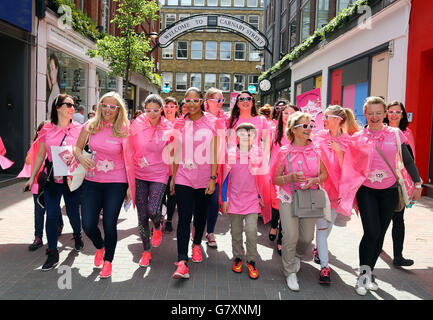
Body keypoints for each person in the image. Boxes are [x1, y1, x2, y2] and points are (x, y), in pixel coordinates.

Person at [338, 96, 422, 296]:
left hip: (390, 190)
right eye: (370, 113)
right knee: (371, 232)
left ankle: (369, 272)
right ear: (365, 114)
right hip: (366, 190)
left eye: (378, 113)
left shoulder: (395, 133)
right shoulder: (357, 138)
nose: (374, 117)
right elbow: (350, 165)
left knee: (380, 234)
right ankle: (363, 274)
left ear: (385, 114)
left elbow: (408, 160)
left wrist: (418, 182)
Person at [24, 94, 84, 271]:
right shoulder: (47, 129)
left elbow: (86, 151)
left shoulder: (80, 129)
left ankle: (77, 234)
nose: (72, 108)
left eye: (74, 105)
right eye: (68, 105)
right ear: (57, 107)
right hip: (51, 178)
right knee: (51, 215)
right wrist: (31, 177)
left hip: (72, 178)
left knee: (73, 212)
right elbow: (41, 155)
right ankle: (52, 252)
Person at [74, 91, 130, 279]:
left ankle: (108, 261)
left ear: (118, 109)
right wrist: (81, 157)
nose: (107, 109)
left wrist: (130, 186)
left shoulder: (124, 129)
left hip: (117, 181)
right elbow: (77, 147)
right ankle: (100, 246)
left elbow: (130, 159)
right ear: (99, 106)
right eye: (104, 105)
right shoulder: (90, 126)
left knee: (109, 223)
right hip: (92, 181)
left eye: (112, 106)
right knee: (88, 224)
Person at [272, 111, 328, 291]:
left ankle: (296, 256)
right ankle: (290, 272)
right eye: (305, 126)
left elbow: (324, 174)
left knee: (306, 237)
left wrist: (315, 181)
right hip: (288, 198)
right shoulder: (284, 151)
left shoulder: (317, 149)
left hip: (309, 198)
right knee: (290, 235)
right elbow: (275, 179)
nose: (309, 129)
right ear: (294, 129)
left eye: (311, 125)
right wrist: (289, 177)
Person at [170, 87, 218, 279]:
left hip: (205, 178)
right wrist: (173, 178)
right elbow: (175, 153)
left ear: (201, 102)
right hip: (183, 177)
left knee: (200, 216)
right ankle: (182, 260)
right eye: (187, 100)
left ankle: (196, 244)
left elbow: (216, 153)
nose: (191, 104)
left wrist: (213, 178)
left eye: (195, 100)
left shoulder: (212, 123)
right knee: (183, 217)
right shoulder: (180, 124)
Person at [124, 94, 174, 268]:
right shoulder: (137, 124)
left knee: (153, 210)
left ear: (161, 109)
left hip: (160, 174)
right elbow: (128, 147)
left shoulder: (168, 126)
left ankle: (158, 226)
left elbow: (173, 152)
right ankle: (146, 251)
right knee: (142, 214)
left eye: (156, 110)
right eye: (148, 110)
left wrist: (173, 177)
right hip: (139, 173)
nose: (152, 114)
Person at [312, 105, 359, 285]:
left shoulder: (350, 141)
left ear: (338, 119)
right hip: (317, 190)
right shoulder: (318, 137)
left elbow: (351, 169)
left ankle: (318, 249)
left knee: (326, 229)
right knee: (322, 229)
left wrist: (339, 151)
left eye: (327, 117)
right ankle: (325, 266)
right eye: (323, 116)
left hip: (336, 192)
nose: (323, 120)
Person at [222, 123, 267, 280]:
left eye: (249, 135)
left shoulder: (258, 154)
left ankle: (251, 260)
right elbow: (225, 178)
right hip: (234, 199)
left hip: (252, 200)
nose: (246, 137)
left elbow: (262, 178)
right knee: (236, 232)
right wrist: (224, 199)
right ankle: (238, 257)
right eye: (242, 134)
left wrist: (261, 195)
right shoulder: (230, 154)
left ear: (254, 137)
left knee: (251, 231)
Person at [20, 121, 64, 251]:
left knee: (52, 207)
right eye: (41, 131)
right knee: (39, 211)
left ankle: (59, 224)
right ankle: (38, 236)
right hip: (36, 183)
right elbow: (28, 160)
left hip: (50, 182)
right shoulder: (36, 144)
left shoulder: (53, 143)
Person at [384, 101, 416, 267]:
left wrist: (414, 182)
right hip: (382, 181)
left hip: (400, 182)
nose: (394, 114)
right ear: (386, 114)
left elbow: (412, 159)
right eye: (391, 111)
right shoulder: (381, 131)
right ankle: (376, 247)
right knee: (382, 219)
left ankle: (398, 256)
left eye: (398, 111)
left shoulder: (407, 133)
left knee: (398, 218)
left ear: (402, 114)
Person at [269, 103, 299, 256]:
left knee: (286, 208)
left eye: (291, 113)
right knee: (276, 205)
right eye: (285, 113)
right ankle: (274, 225)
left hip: (293, 176)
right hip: (276, 175)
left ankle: (281, 239)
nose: (288, 116)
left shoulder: (300, 133)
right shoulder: (273, 132)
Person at [203, 87, 228, 248]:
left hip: (218, 166)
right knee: (198, 201)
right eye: (218, 100)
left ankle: (210, 231)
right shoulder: (200, 117)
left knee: (213, 202)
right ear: (208, 101)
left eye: (222, 100)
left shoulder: (226, 119)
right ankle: (197, 228)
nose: (220, 103)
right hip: (199, 164)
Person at [160, 97, 179, 233]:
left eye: (172, 106)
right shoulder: (157, 123)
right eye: (167, 106)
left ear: (176, 108)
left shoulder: (180, 124)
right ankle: (160, 217)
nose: (169, 108)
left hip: (174, 166)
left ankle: (169, 221)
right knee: (159, 195)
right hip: (159, 167)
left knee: (172, 195)